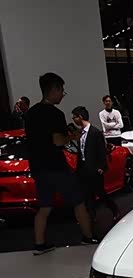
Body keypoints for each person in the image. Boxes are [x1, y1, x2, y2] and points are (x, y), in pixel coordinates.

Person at [24, 73, 97, 254]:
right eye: (62, 90)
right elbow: (57, 141)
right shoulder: (55, 114)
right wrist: (72, 136)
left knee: (44, 207)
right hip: (56, 166)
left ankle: (39, 244)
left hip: (38, 167)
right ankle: (88, 237)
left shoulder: (30, 114)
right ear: (54, 89)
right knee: (79, 202)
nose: (63, 94)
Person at [71, 106, 120, 221]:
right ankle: (91, 217)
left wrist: (101, 167)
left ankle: (114, 209)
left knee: (100, 193)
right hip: (83, 169)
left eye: (74, 117)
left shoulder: (95, 132)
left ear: (80, 117)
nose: (73, 120)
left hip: (94, 169)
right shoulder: (80, 133)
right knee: (87, 194)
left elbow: (101, 150)